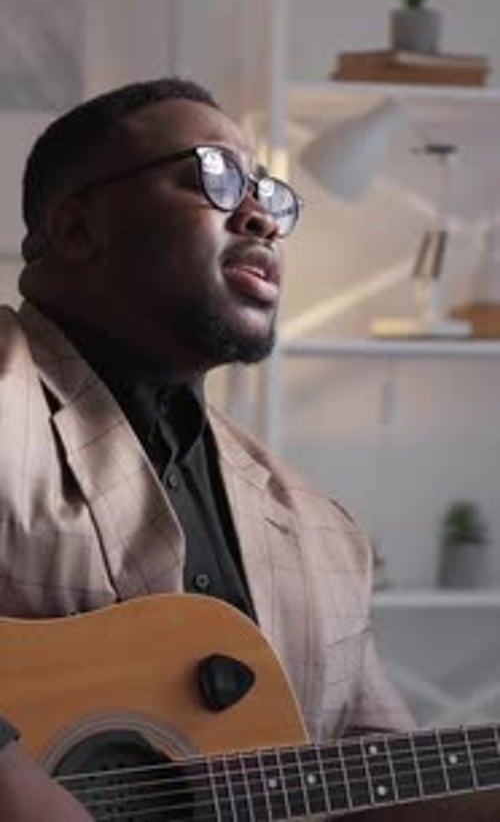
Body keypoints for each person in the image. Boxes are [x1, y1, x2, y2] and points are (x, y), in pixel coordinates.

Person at [0, 77, 497, 821]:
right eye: (216, 175)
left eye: (269, 191)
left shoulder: (323, 534)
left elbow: (379, 783)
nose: (262, 214)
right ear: (76, 229)